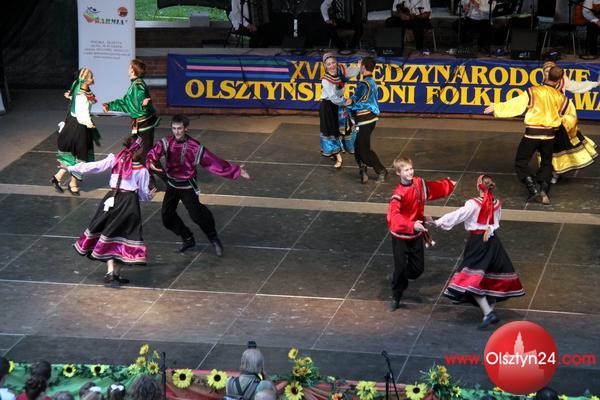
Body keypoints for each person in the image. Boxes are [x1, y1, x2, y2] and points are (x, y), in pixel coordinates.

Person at [146, 115, 250, 255]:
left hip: (187, 186)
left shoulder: (194, 146)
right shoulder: (166, 142)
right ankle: (187, 238)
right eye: (174, 128)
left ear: (186, 129)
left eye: (179, 128)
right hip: (172, 185)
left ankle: (213, 238)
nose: (176, 132)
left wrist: (235, 170)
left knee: (197, 215)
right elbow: (153, 153)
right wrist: (151, 161)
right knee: (167, 217)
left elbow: (213, 161)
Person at [430, 175, 525, 329]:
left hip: (477, 243)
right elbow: (496, 223)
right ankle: (489, 312)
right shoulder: (496, 203)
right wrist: (490, 229)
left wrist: (438, 222)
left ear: (478, 186)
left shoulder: (473, 204)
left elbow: (458, 215)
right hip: (493, 242)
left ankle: (488, 313)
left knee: (469, 279)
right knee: (489, 276)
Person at [61, 136, 155, 285]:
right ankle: (114, 272)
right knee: (126, 236)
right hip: (129, 203)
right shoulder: (142, 170)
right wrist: (150, 195)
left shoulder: (115, 159)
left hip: (112, 199)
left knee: (108, 232)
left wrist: (71, 168)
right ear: (139, 150)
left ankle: (112, 272)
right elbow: (143, 195)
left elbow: (94, 166)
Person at [484, 66, 576, 205]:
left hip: (533, 134)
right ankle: (544, 190)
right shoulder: (562, 98)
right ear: (560, 80)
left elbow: (516, 104)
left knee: (521, 162)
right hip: (550, 136)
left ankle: (533, 189)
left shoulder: (534, 91)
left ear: (546, 76)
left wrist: (497, 107)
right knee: (546, 163)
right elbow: (571, 117)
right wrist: (562, 124)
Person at [387, 156, 455, 311]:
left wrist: (449, 185)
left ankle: (400, 277)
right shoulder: (398, 194)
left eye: (411, 169)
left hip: (416, 234)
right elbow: (393, 216)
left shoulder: (418, 183)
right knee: (400, 268)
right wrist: (411, 224)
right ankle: (396, 295)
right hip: (400, 236)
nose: (410, 172)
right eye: (406, 170)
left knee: (417, 270)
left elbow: (431, 189)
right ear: (398, 173)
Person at [542, 61, 598, 183]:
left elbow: (577, 86)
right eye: (546, 71)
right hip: (547, 120)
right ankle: (550, 171)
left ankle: (556, 173)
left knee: (559, 146)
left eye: (550, 70)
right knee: (546, 147)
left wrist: (595, 83)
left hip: (560, 120)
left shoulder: (563, 81)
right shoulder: (543, 84)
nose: (548, 73)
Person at [51, 68, 101, 196]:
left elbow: (77, 97)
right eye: (91, 77)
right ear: (85, 80)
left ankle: (57, 177)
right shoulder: (81, 95)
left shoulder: (80, 86)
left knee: (73, 155)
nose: (94, 79)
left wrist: (70, 96)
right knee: (80, 156)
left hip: (74, 125)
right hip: (78, 127)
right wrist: (89, 123)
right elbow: (81, 113)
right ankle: (72, 184)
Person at [102, 59, 160, 165]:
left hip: (144, 123)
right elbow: (126, 103)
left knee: (145, 153)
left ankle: (157, 174)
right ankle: (145, 173)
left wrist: (143, 103)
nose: (128, 69)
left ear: (133, 70)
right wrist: (110, 105)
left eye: (129, 67)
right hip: (139, 123)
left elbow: (140, 98)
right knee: (139, 150)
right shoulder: (134, 85)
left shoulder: (138, 85)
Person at [345, 57, 387, 183]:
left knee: (363, 149)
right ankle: (363, 171)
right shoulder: (371, 82)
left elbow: (358, 101)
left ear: (363, 67)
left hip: (365, 120)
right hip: (369, 119)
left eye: (360, 65)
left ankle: (381, 170)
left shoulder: (364, 84)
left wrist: (346, 102)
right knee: (358, 146)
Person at [319, 53, 360, 168]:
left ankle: (337, 150)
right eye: (328, 64)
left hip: (339, 105)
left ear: (336, 62)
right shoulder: (326, 80)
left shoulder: (341, 71)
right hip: (329, 106)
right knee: (331, 130)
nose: (331, 66)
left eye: (333, 63)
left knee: (343, 129)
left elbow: (352, 72)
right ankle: (338, 156)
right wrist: (345, 101)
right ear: (325, 66)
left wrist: (359, 66)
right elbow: (333, 97)